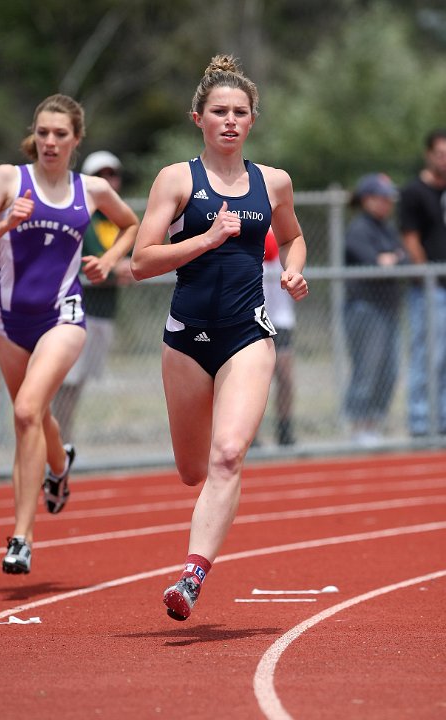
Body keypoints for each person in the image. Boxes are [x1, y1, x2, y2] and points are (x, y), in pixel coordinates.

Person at [131, 55, 308, 621]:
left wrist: (292, 270)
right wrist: (205, 241)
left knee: (229, 454)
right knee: (193, 469)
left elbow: (295, 236)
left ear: (252, 119)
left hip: (246, 334)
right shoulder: (176, 179)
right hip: (185, 339)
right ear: (198, 118)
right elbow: (140, 262)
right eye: (219, 112)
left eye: (240, 112)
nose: (230, 121)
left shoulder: (273, 181)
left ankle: (191, 575)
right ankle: (206, 512)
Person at [0, 94, 139, 574]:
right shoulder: (8, 179)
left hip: (62, 317)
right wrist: (6, 223)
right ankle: (60, 468)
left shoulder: (91, 190)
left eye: (60, 134)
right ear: (34, 136)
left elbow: (130, 224)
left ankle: (20, 537)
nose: (49, 141)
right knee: (36, 416)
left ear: (76, 140)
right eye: (43, 132)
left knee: (24, 411)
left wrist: (107, 260)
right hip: (8, 319)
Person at [53, 151, 136, 441]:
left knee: (79, 381)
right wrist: (118, 269)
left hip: (104, 311)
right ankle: (60, 441)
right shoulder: (81, 214)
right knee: (66, 380)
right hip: (78, 311)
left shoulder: (118, 218)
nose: (109, 181)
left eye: (112, 174)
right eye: (101, 175)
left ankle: (64, 438)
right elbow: (88, 260)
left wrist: (126, 268)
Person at [344, 173, 409, 446]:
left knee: (389, 370)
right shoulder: (359, 229)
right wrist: (390, 260)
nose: (386, 204)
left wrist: (392, 260)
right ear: (367, 199)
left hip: (388, 308)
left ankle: (375, 424)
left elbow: (403, 259)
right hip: (364, 308)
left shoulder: (387, 228)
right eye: (381, 198)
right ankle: (358, 427)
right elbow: (373, 263)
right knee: (366, 369)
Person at [398, 129, 446, 437]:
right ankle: (420, 422)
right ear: (428, 155)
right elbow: (410, 238)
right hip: (431, 290)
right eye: (440, 153)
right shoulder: (414, 192)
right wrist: (426, 275)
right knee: (427, 355)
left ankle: (441, 421)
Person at [263, 227, 296, 445]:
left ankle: (284, 429)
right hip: (255, 315)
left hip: (281, 317)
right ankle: (251, 435)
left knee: (285, 377)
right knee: (254, 379)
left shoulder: (282, 228)